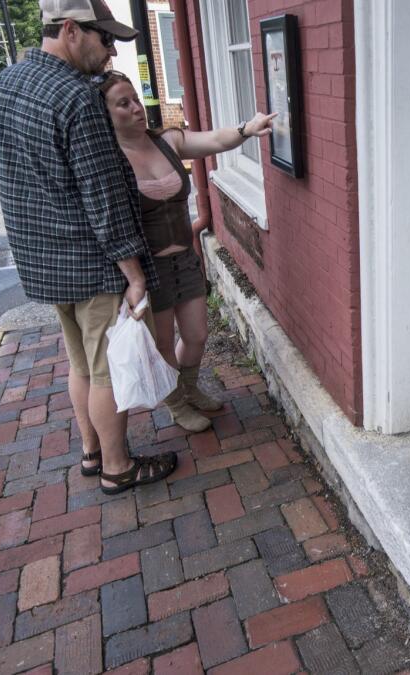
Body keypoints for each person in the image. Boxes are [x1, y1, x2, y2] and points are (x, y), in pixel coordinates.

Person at [0, 0, 176, 494]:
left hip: (43, 261)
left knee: (80, 364)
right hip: (92, 261)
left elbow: (13, 181)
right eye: (104, 38)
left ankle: (92, 452)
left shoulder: (5, 85)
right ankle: (118, 468)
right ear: (71, 30)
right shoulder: (76, 98)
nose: (111, 51)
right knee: (106, 370)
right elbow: (104, 196)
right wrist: (135, 276)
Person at [97, 71, 276, 431]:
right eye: (123, 103)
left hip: (185, 260)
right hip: (150, 269)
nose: (136, 108)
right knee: (163, 344)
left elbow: (213, 140)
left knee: (196, 335)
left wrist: (246, 129)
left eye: (135, 99)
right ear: (106, 114)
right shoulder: (110, 160)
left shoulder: (167, 142)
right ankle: (176, 405)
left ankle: (188, 388)